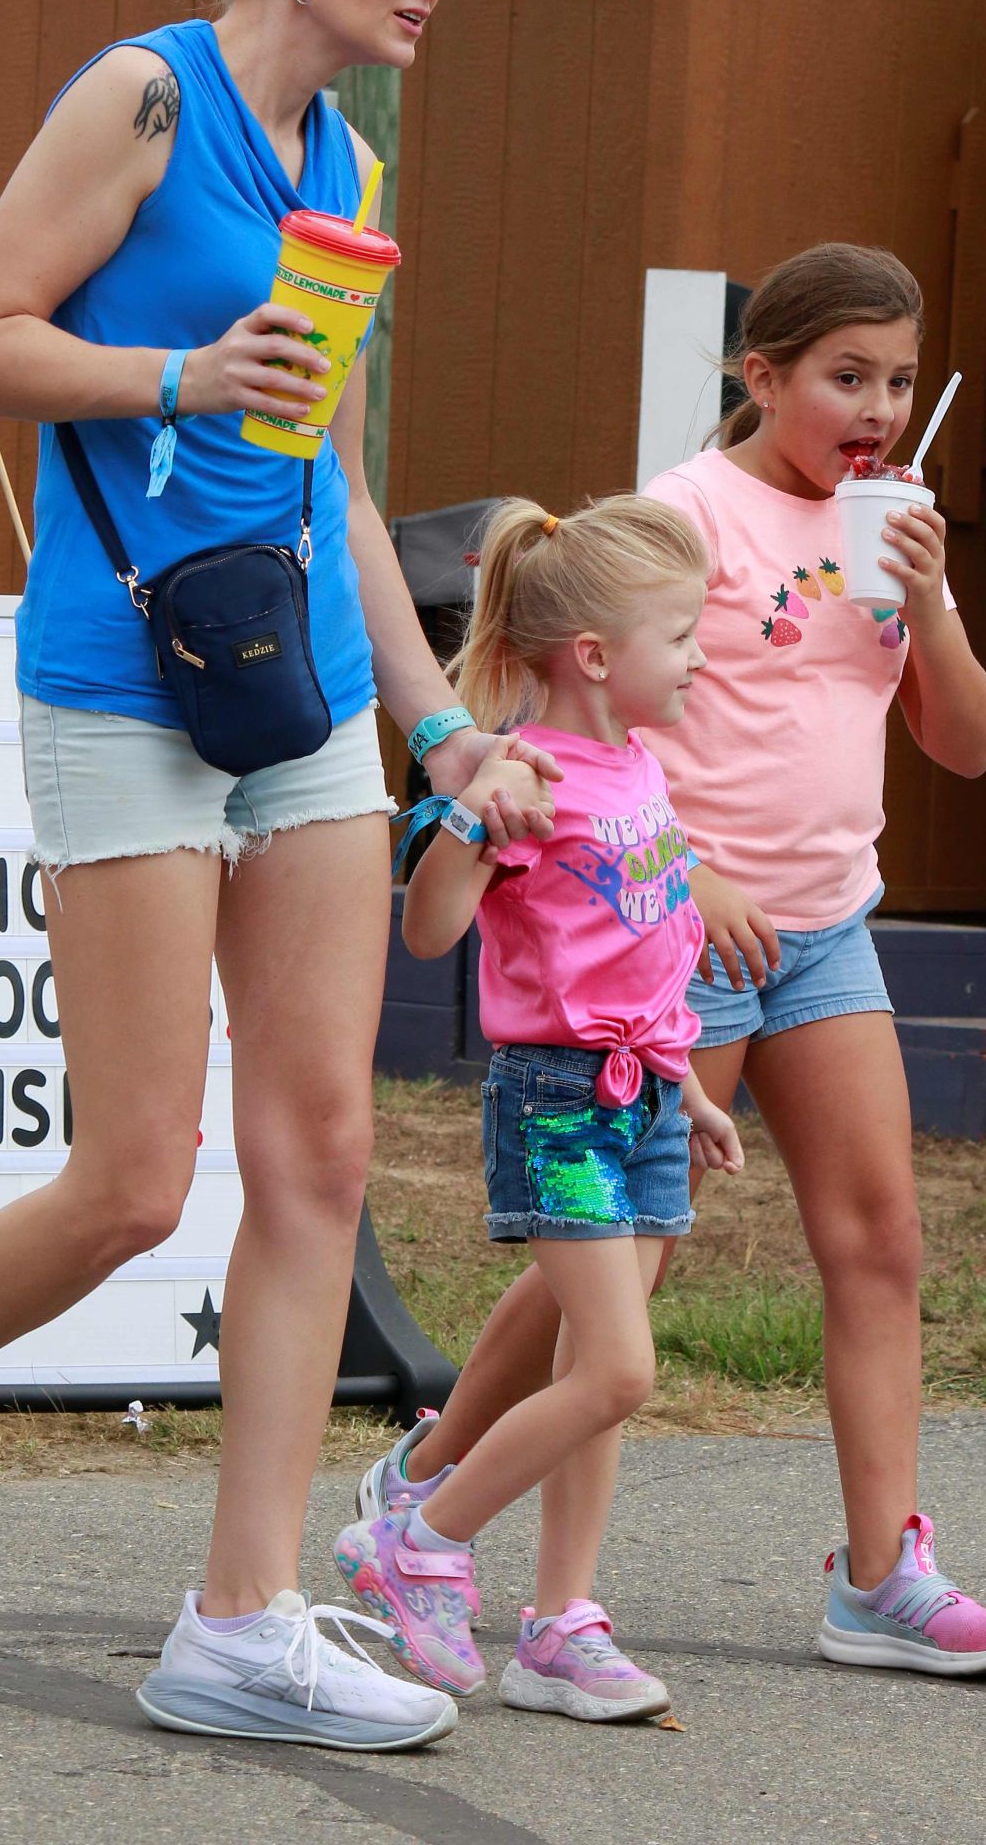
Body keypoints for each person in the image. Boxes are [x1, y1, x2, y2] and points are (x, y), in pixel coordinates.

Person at [0, 0, 558, 1752]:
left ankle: (240, 1616)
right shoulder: (146, 102)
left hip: (305, 683)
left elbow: (332, 468)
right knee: (127, 1177)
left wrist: (433, 721)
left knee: (321, 1158)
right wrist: (178, 374)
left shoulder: (336, 153)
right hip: (121, 675)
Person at [357, 245, 986, 1679]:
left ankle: (883, 1579)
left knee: (878, 1240)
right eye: (845, 377)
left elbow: (968, 745)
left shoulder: (890, 524)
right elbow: (594, 721)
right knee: (613, 1267)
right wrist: (698, 873)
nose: (877, 407)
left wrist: (931, 604)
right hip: (675, 935)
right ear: (763, 376)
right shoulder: (685, 512)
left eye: (902, 381)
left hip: (828, 932)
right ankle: (438, 1488)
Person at [334, 497, 743, 1720]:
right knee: (618, 1369)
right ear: (598, 656)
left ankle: (561, 1623)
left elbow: (644, 950)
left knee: (589, 1357)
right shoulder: (530, 770)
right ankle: (422, 1534)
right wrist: (468, 807)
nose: (701, 655)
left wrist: (686, 1092)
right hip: (561, 1099)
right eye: (683, 634)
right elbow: (429, 930)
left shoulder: (637, 770)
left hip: (644, 1098)